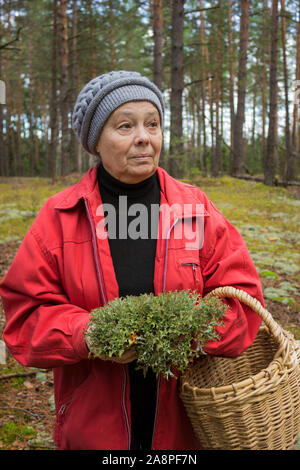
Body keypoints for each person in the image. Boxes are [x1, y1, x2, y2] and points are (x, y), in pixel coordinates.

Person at [0, 70, 264, 451]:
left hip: (185, 428)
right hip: (94, 431)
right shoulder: (59, 217)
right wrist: (87, 334)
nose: (144, 136)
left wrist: (184, 333)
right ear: (95, 142)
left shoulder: (194, 209)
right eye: (125, 125)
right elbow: (25, 319)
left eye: (152, 124)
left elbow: (244, 302)